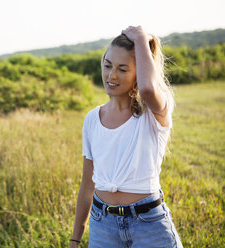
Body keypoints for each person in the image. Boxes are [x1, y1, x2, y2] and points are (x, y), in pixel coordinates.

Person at [70, 26, 183, 248]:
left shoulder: (154, 113)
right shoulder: (92, 119)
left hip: (149, 224)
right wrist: (76, 238)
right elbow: (87, 184)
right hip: (103, 225)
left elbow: (149, 89)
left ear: (139, 72)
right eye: (107, 65)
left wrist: (142, 38)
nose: (111, 76)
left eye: (123, 69)